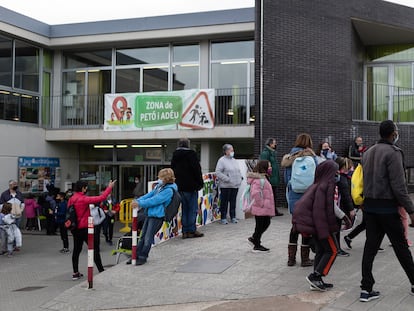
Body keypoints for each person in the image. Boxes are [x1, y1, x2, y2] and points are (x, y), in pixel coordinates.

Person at [359, 120, 414, 302]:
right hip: (387, 209)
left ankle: (366, 289)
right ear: (393, 134)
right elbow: (399, 186)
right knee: (401, 247)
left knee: (370, 248)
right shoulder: (393, 153)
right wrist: (410, 210)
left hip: (370, 208)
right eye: (396, 131)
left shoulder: (368, 153)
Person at [292, 160, 340, 291]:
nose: (338, 173)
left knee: (321, 250)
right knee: (333, 251)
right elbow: (321, 211)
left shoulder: (316, 185)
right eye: (336, 170)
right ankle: (316, 275)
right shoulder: (326, 186)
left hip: (315, 225)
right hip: (321, 226)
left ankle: (317, 280)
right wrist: (325, 230)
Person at [128, 168, 177, 265]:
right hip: (150, 214)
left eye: (161, 177)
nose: (158, 178)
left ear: (166, 178)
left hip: (157, 216)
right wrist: (138, 200)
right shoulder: (160, 186)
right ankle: (136, 255)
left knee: (148, 238)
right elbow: (149, 195)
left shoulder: (169, 190)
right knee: (143, 236)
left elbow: (154, 200)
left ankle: (142, 256)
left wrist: (139, 203)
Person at [69, 179, 116, 280]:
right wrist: (110, 187)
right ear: (83, 188)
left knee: (76, 250)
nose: (87, 189)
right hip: (86, 228)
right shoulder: (84, 199)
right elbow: (102, 197)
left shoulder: (72, 198)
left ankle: (75, 272)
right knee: (94, 249)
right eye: (86, 187)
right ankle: (101, 270)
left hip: (75, 228)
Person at [281, 133, 316, 267]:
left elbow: (285, 179)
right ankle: (305, 259)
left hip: (294, 194)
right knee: (306, 226)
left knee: (295, 226)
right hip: (308, 195)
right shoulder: (311, 157)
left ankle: (291, 259)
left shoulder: (290, 158)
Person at [171, 138, 204, 238]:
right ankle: (191, 230)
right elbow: (197, 170)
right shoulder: (191, 155)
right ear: (188, 145)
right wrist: (200, 183)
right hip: (191, 186)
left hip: (179, 187)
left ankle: (184, 231)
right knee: (192, 209)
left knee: (184, 209)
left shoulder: (175, 155)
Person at [247, 160, 275, 252]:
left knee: (265, 223)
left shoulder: (264, 178)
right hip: (260, 207)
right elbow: (255, 193)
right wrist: (261, 204)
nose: (270, 168)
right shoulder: (259, 179)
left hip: (263, 207)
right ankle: (257, 244)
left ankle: (254, 239)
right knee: (260, 225)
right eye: (269, 166)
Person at [215, 144, 242, 224]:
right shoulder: (222, 160)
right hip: (226, 185)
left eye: (233, 150)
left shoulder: (234, 160)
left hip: (235, 185)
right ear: (226, 151)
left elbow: (237, 170)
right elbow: (218, 172)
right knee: (225, 202)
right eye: (231, 150)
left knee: (233, 202)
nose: (232, 151)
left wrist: (240, 177)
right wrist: (227, 179)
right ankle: (223, 217)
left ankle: (233, 217)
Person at [335, 157, 356, 257]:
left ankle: (336, 248)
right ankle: (337, 248)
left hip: (336, 206)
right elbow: (346, 195)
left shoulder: (337, 176)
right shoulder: (343, 179)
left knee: (336, 228)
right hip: (339, 207)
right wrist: (351, 209)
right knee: (336, 228)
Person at [259, 138, 283, 216]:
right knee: (269, 195)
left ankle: (274, 210)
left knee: (274, 195)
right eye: (274, 143)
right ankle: (269, 211)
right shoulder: (265, 153)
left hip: (274, 177)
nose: (275, 144)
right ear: (270, 144)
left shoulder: (272, 153)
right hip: (270, 178)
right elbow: (263, 165)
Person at [89, 203, 106, 269]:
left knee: (96, 237)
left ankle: (96, 247)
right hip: (89, 225)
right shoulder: (87, 209)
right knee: (91, 237)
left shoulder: (98, 209)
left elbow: (103, 216)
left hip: (96, 226)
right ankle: (91, 246)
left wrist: (99, 222)